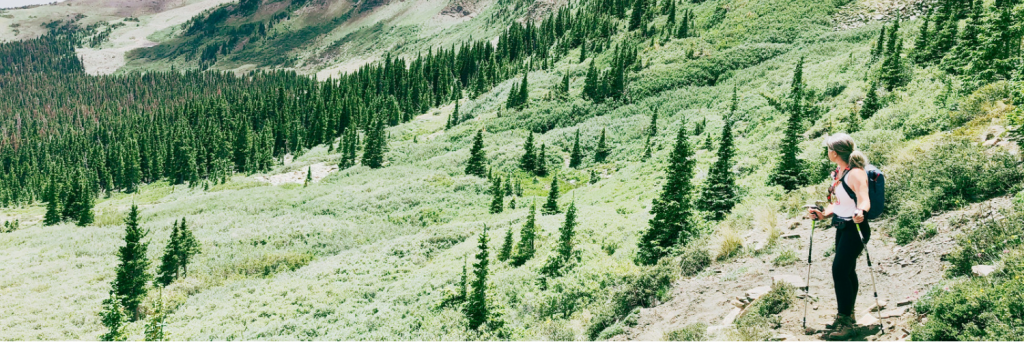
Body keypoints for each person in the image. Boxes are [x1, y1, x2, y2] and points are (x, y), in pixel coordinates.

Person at [806, 133, 871, 340]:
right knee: (846, 270)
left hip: (856, 227)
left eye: (828, 149)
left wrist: (861, 211)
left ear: (834, 153)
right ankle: (847, 316)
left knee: (839, 270)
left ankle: (846, 322)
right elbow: (840, 202)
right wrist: (824, 213)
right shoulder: (839, 172)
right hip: (842, 227)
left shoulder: (856, 173)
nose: (827, 152)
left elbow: (863, 198)